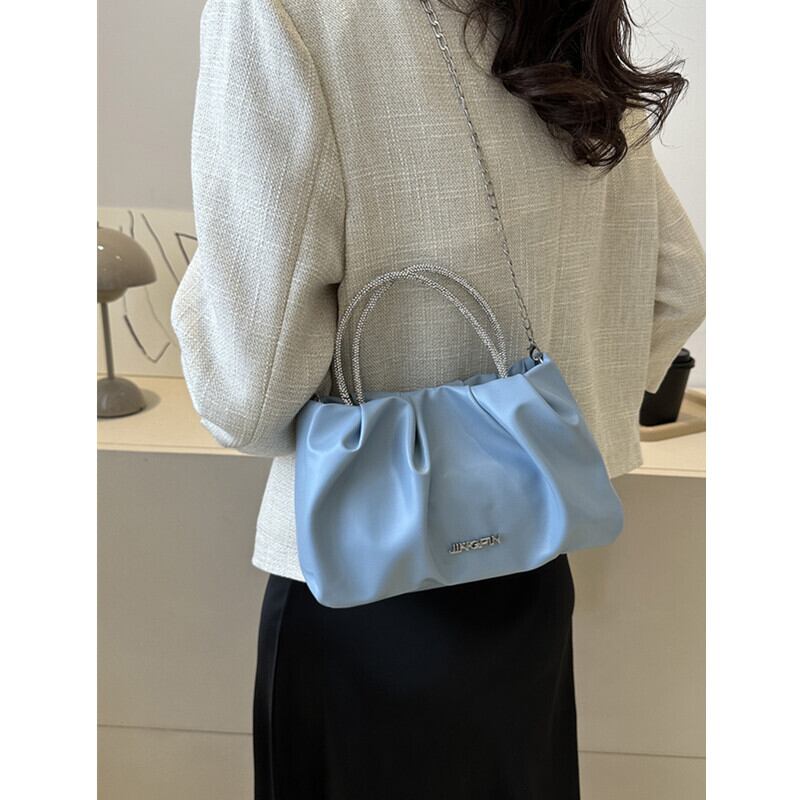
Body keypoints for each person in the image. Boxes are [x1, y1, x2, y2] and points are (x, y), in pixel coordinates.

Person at [171, 0, 706, 797]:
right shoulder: (559, 13)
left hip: (364, 580)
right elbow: (677, 284)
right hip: (531, 564)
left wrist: (204, 290)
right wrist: (548, 411)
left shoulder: (282, 14)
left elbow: (242, 397)